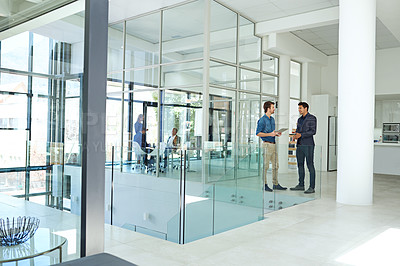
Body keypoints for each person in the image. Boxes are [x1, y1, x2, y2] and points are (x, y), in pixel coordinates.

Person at [256, 101, 286, 192]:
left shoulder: (272, 119)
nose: (274, 109)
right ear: (268, 108)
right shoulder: (262, 120)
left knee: (276, 165)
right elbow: (258, 133)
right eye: (273, 107)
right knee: (265, 166)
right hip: (266, 145)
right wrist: (270, 134)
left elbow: (271, 133)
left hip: (273, 144)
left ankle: (275, 183)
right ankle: (264, 184)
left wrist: (276, 134)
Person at [291, 102, 317, 194]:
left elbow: (313, 131)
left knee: (310, 165)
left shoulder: (312, 118)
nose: (299, 110)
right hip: (300, 145)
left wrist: (301, 135)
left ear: (306, 108)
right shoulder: (299, 119)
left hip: (308, 145)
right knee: (300, 165)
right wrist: (295, 136)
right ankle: (301, 185)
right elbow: (298, 131)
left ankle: (312, 187)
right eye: (298, 108)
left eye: (300, 108)